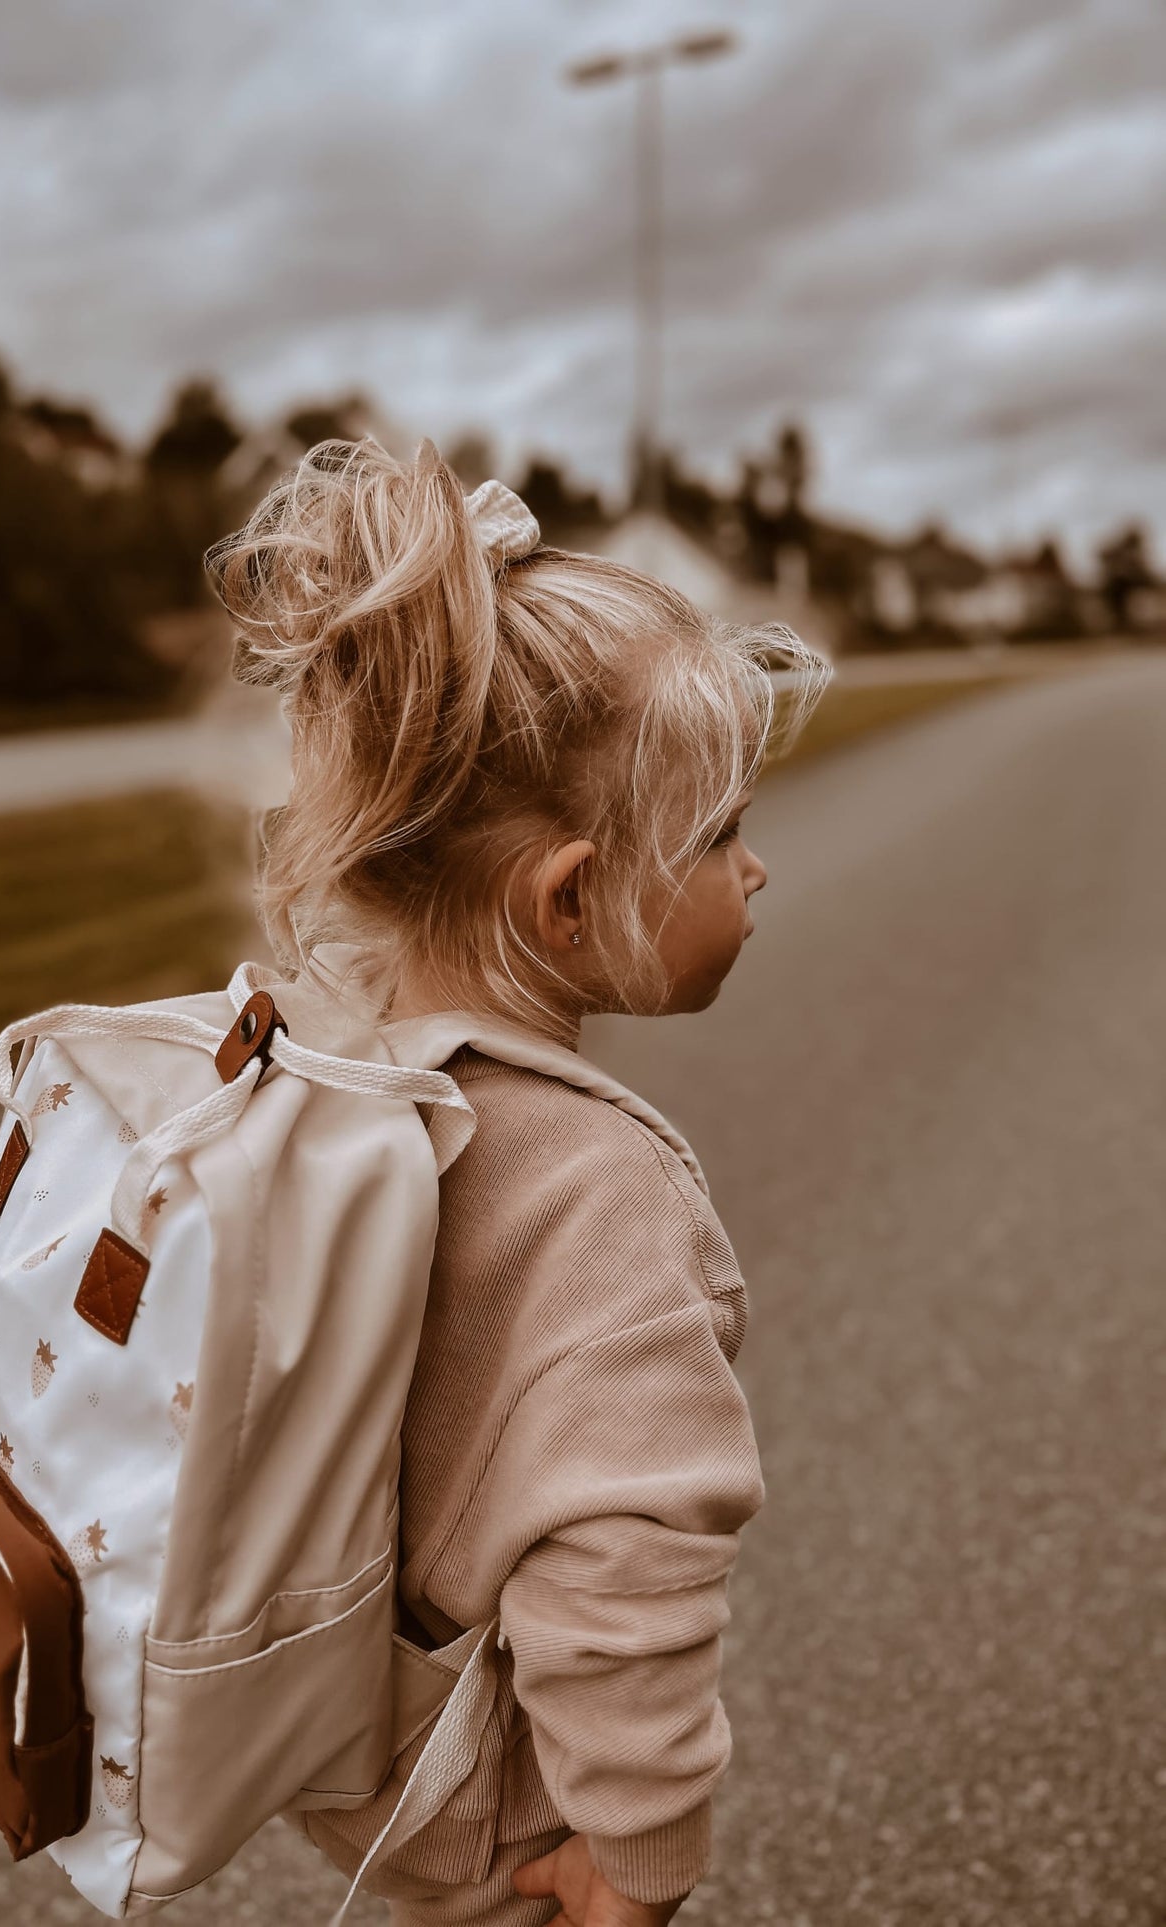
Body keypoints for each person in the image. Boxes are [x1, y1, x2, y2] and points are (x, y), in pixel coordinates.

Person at [207, 439, 831, 1926]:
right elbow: (626, 1571)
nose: (754, 875)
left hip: (356, 1752)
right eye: (720, 834)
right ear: (565, 900)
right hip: (514, 1800)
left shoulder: (326, 1081)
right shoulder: (600, 1188)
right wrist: (637, 1856)